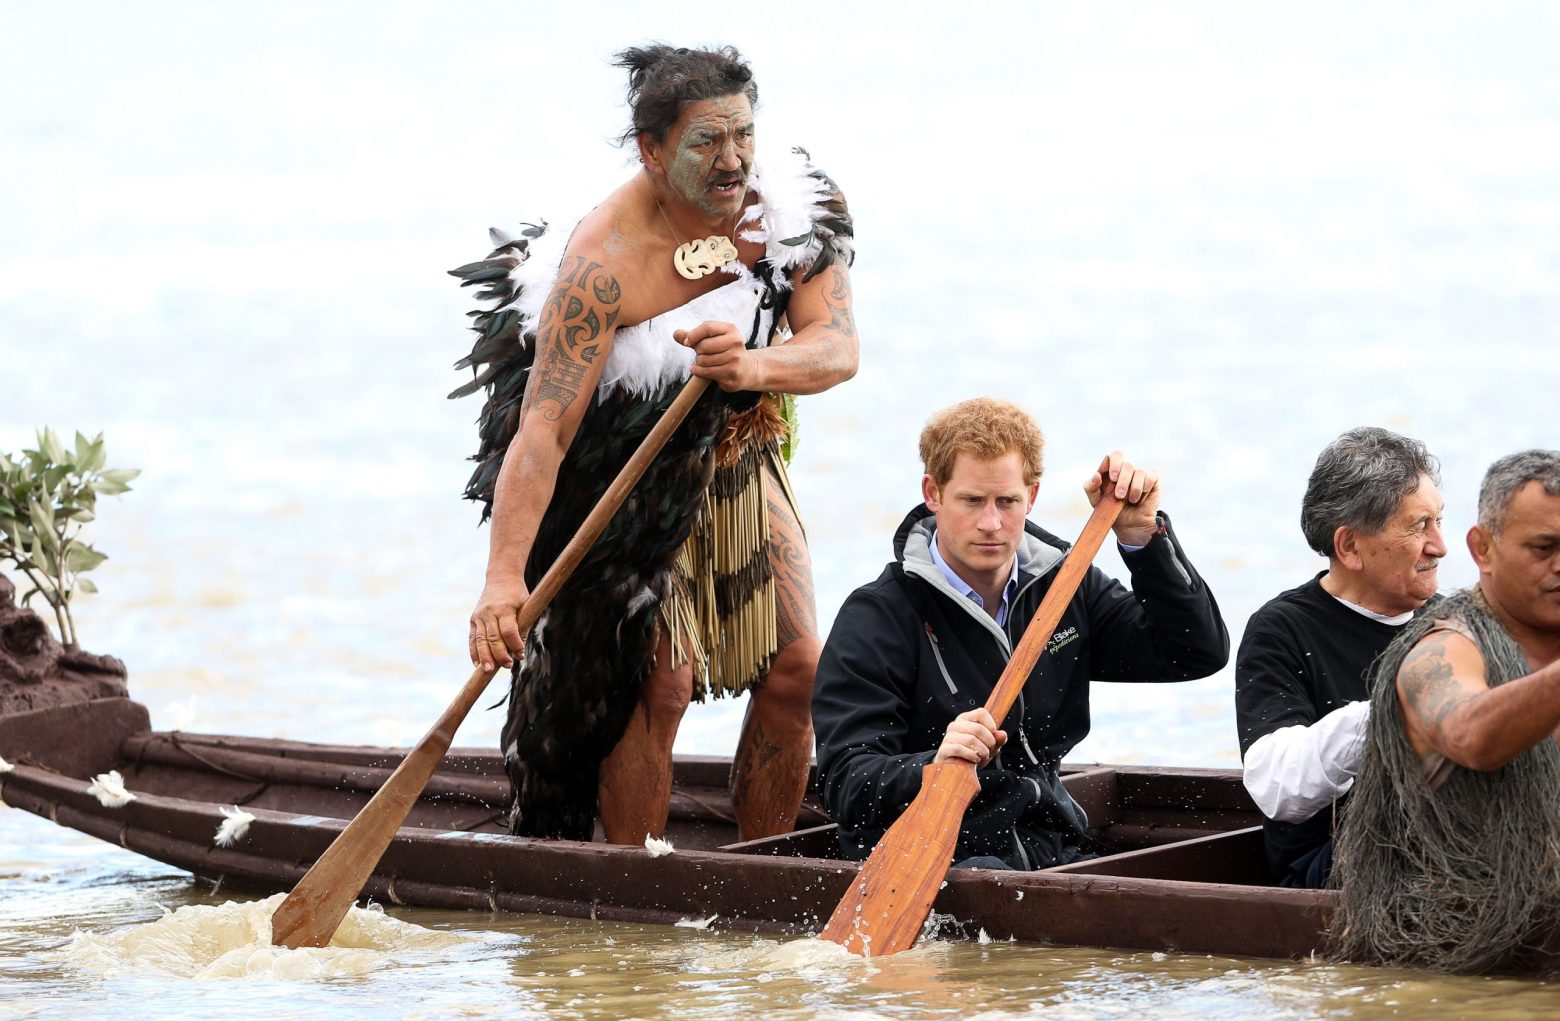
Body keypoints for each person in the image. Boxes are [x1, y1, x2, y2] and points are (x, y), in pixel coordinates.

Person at [449, 45, 858, 845]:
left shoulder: (789, 217)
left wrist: (751, 366)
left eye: (744, 133)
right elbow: (543, 430)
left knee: (799, 666)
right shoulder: (603, 266)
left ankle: (759, 872)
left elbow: (837, 348)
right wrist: (502, 582)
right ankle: (634, 893)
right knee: (656, 685)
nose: (733, 158)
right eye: (707, 141)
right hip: (623, 486)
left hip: (737, 455)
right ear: (652, 150)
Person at [811, 398, 1228, 870]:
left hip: (1052, 849)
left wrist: (1142, 539)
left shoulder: (1068, 585)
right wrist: (931, 765)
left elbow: (1195, 652)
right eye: (972, 501)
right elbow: (844, 783)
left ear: (1032, 496)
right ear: (933, 493)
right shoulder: (876, 616)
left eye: (1007, 502)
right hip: (931, 861)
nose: (991, 523)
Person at [1332, 450, 1560, 974]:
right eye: (1544, 548)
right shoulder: (1440, 649)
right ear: (1482, 548)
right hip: (1470, 939)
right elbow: (1471, 734)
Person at [1234, 427, 1444, 888]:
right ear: (1349, 546)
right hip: (1329, 869)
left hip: (1440, 849)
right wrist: (1395, 710)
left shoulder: (1449, 623)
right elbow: (1276, 787)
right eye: (1418, 526)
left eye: (1439, 521)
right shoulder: (1282, 628)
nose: (1439, 547)